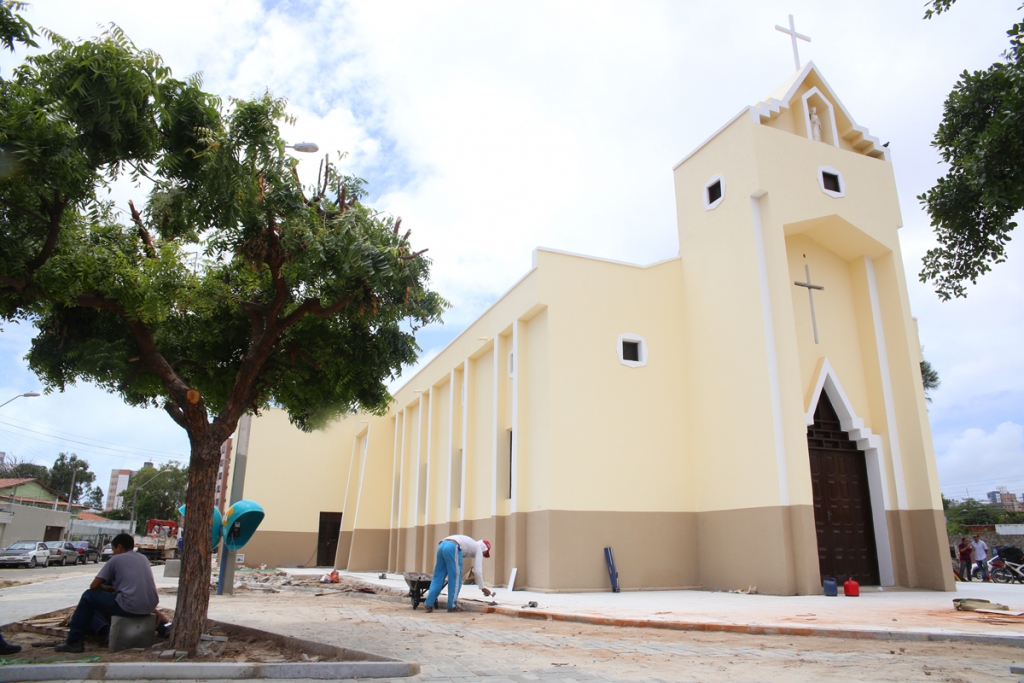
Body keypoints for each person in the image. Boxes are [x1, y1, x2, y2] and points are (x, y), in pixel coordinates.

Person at [55, 533, 159, 653]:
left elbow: (93, 586)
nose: (113, 553)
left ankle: (74, 642)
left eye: (114, 549)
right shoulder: (143, 558)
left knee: (88, 596)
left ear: (119, 547)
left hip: (130, 607)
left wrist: (106, 589)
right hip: (150, 606)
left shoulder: (116, 559)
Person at [424, 535, 493, 613]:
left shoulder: (471, 544)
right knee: (456, 578)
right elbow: (477, 570)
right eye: (485, 553)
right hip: (453, 546)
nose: (483, 555)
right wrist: (482, 587)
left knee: (438, 577)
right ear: (484, 549)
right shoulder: (479, 549)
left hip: (442, 544)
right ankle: (452, 606)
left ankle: (429, 603)